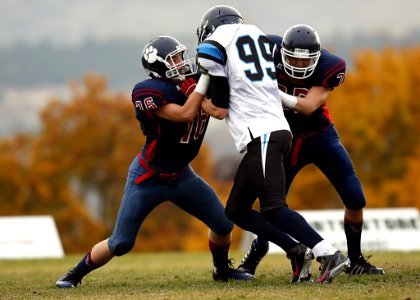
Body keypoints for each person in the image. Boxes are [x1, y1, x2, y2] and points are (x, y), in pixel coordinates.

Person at [55, 35, 254, 288]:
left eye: (182, 56)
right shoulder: (149, 91)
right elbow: (184, 114)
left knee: (223, 224)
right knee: (121, 243)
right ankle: (74, 274)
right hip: (148, 177)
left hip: (182, 175)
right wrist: (206, 78)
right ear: (158, 66)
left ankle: (221, 269)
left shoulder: (193, 81)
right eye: (175, 59)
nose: (183, 63)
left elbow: (219, 107)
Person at [196, 5, 350, 284]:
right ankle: (295, 251)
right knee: (236, 211)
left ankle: (328, 254)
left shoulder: (215, 43)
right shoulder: (257, 35)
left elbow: (220, 109)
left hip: (263, 134)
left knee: (275, 208)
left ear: (210, 29)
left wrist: (198, 99)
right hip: (272, 132)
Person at [238, 24, 384, 276]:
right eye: (293, 58)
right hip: (283, 139)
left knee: (355, 197)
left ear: (317, 59)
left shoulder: (331, 66)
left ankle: (356, 258)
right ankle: (255, 253)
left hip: (320, 137)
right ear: (282, 52)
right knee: (271, 208)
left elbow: (307, 107)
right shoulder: (266, 50)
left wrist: (270, 91)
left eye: (306, 61)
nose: (298, 65)